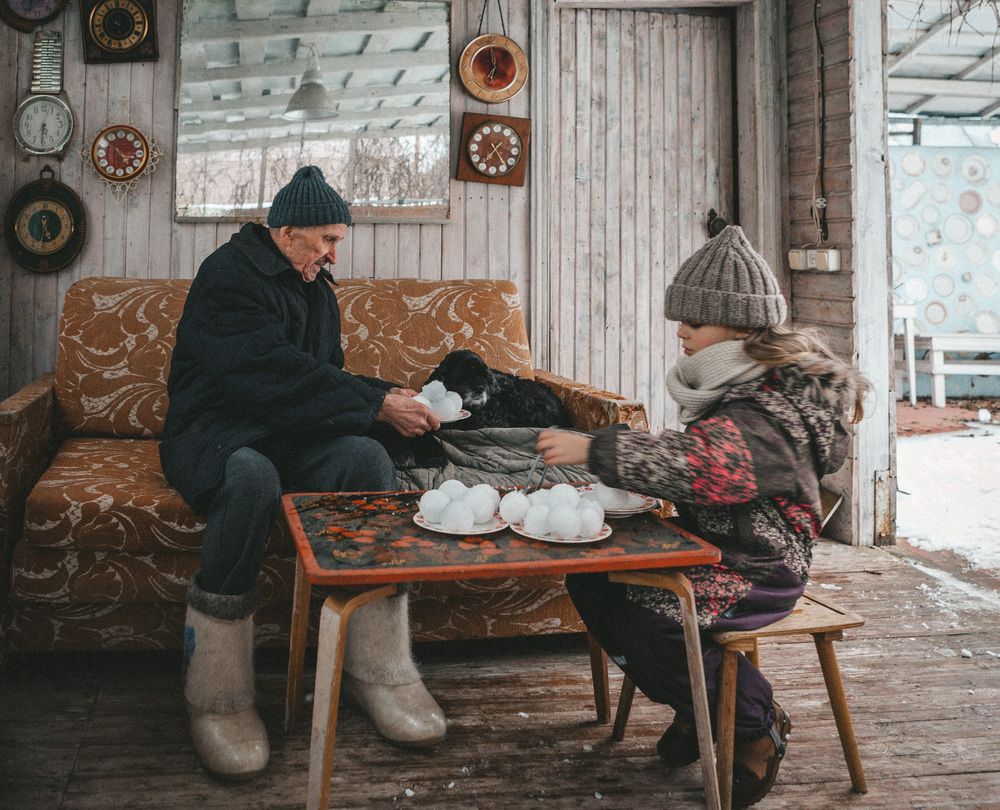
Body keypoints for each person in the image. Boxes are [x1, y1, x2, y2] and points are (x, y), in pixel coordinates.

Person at [536, 225, 867, 809]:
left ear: (739, 326)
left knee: (650, 612)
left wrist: (598, 450)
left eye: (693, 321)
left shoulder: (774, 406)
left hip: (759, 568)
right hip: (712, 549)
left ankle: (751, 721)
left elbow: (708, 462)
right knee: (591, 579)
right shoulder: (738, 383)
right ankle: (702, 705)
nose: (681, 332)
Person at [160, 165, 446, 781]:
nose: (333, 253)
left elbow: (320, 381)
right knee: (252, 478)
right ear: (285, 231)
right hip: (218, 432)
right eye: (325, 240)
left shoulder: (317, 287)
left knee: (367, 459)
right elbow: (271, 374)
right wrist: (374, 401)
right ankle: (217, 693)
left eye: (337, 240)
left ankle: (377, 668)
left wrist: (384, 397)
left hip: (287, 432)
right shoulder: (228, 275)